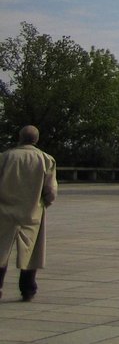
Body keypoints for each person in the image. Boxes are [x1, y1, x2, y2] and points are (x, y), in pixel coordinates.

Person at [0, 125, 57, 302]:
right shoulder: (45, 159)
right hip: (32, 211)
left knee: (0, 251)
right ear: (36, 140)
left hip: (4, 211)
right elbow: (50, 190)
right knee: (31, 252)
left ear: (20, 137)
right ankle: (28, 289)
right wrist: (44, 203)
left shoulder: (4, 158)